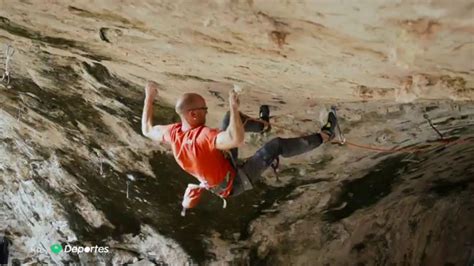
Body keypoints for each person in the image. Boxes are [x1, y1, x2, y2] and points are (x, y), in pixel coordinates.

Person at [141, 81, 339, 215]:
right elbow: (235, 139)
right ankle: (326, 135)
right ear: (192, 115)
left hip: (224, 167)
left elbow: (147, 129)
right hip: (235, 183)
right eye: (204, 110)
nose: (207, 112)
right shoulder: (202, 137)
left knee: (228, 119)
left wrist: (149, 96)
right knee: (274, 146)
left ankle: (262, 125)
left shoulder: (174, 133)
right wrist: (234, 107)